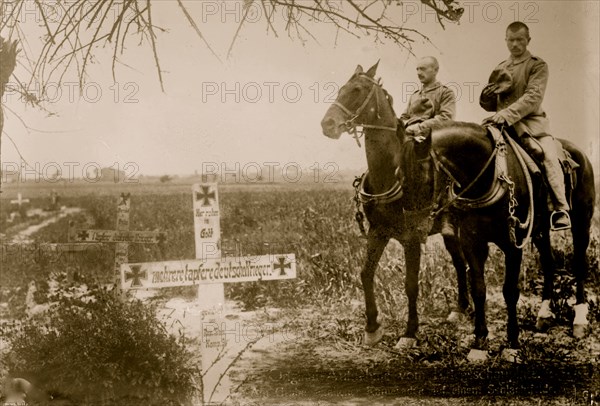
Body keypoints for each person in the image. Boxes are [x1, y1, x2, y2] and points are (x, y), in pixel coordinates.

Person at [480, 21, 570, 230]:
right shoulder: (500, 68)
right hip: (502, 126)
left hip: (532, 127)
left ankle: (560, 208)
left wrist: (506, 114)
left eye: (520, 39)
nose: (515, 44)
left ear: (528, 40)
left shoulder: (537, 65)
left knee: (547, 156)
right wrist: (485, 100)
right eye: (511, 40)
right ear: (505, 41)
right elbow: (494, 103)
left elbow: (533, 97)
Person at [400, 56, 456, 135]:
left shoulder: (445, 92)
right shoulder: (415, 95)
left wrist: (419, 127)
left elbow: (446, 118)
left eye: (423, 69)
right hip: (408, 134)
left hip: (432, 137)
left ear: (435, 70)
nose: (418, 73)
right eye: (417, 69)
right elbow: (404, 117)